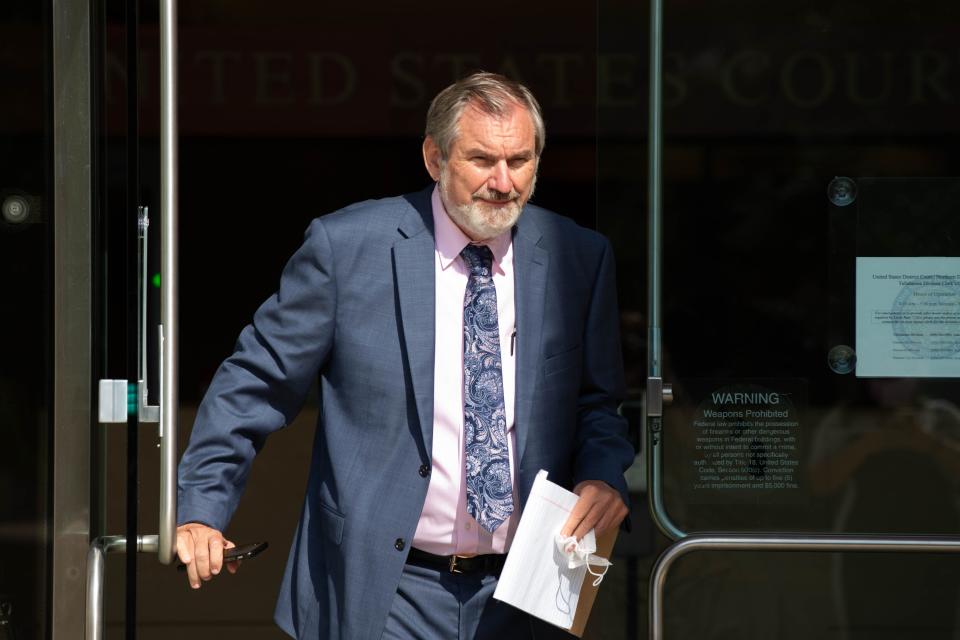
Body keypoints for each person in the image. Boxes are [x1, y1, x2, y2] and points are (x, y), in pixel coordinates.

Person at [176, 72, 634, 639]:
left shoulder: (578, 256)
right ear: (433, 157)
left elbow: (597, 404)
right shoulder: (347, 249)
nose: (503, 181)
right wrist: (201, 508)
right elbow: (256, 382)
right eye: (482, 159)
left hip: (529, 589)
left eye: (520, 160)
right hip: (384, 588)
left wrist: (602, 477)